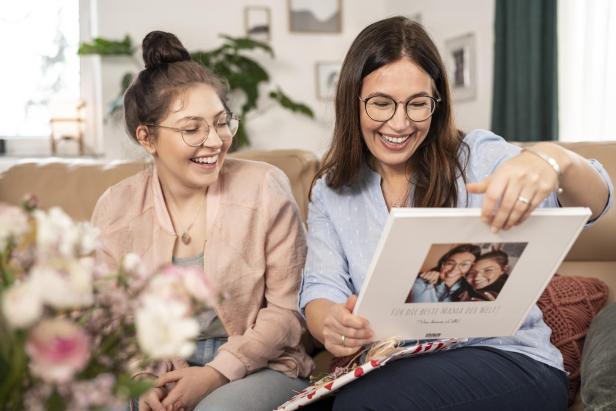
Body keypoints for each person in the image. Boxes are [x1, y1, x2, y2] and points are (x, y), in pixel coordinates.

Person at [299, 16, 613, 410]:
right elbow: (319, 291)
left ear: (438, 103)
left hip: (510, 361)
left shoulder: (479, 157)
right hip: (401, 364)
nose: (399, 123)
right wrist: (328, 320)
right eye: (381, 104)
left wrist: (554, 161)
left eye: (418, 104)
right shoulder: (332, 191)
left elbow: (597, 203)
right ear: (352, 101)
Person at [91, 31, 312, 411]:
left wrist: (215, 372)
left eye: (222, 123)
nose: (215, 141)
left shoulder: (264, 186)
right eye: (192, 129)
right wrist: (141, 376)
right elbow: (110, 319)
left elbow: (287, 312)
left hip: (259, 362)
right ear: (147, 137)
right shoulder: (116, 208)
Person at [406, 244, 480, 302]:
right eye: (450, 263)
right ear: (443, 264)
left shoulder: (470, 293)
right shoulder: (422, 282)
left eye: (464, 264)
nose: (454, 269)